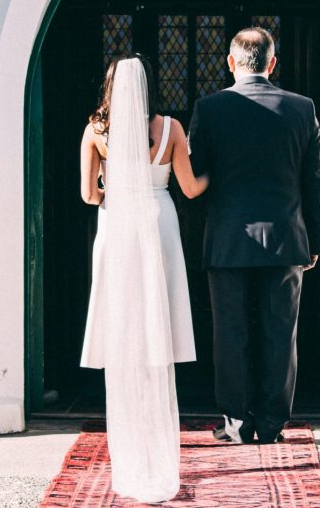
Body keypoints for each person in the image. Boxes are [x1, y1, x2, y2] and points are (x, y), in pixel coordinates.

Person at [78, 53, 208, 503]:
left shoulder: (96, 131)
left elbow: (88, 194)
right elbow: (190, 188)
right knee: (157, 312)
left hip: (118, 223)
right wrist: (214, 174)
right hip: (158, 220)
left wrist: (114, 184)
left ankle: (131, 444)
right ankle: (159, 442)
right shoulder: (171, 129)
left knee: (124, 319)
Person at [188, 27, 320, 445]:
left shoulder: (210, 109)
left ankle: (235, 422)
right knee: (280, 334)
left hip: (228, 240)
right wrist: (314, 240)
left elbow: (194, 177)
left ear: (231, 62)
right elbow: (314, 181)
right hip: (285, 239)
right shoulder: (301, 108)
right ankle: (271, 425)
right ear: (272, 63)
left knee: (231, 334)